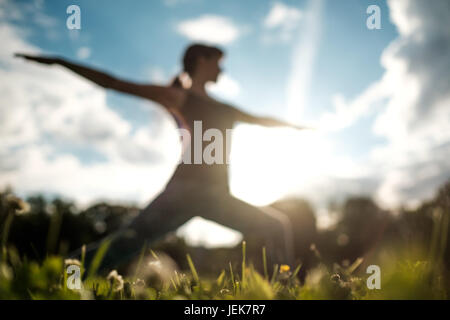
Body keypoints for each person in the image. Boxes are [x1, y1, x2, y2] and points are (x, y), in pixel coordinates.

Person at [15, 43, 307, 272]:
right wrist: (60, 62)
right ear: (201, 61)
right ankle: (54, 276)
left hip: (215, 195)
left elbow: (261, 119)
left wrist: (296, 127)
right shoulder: (179, 97)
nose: (222, 70)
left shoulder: (226, 108)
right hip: (186, 191)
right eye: (218, 63)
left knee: (276, 226)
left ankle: (283, 284)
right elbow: (113, 82)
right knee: (124, 243)